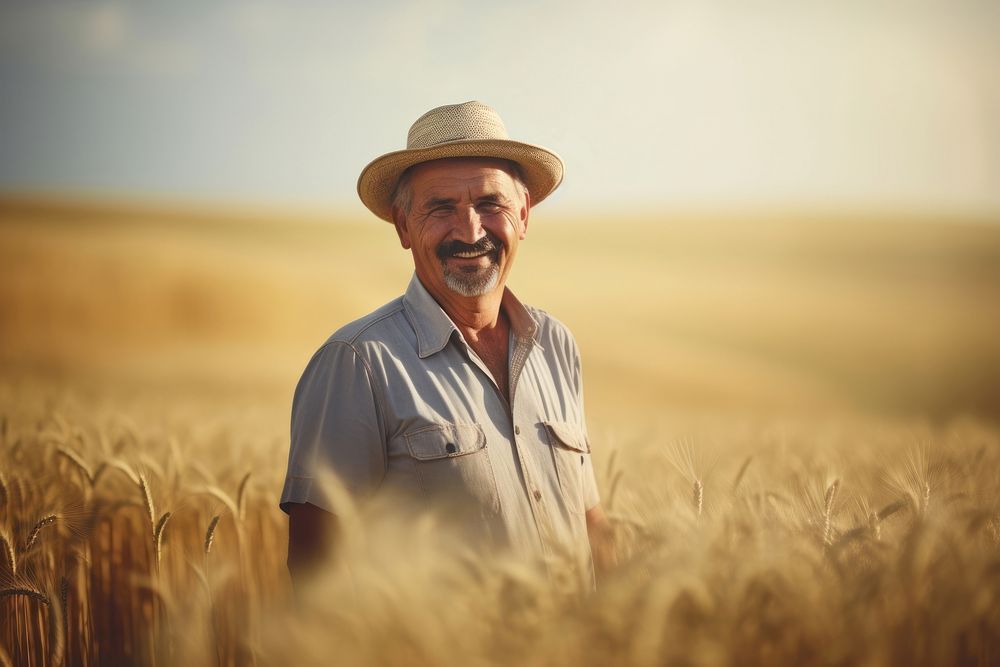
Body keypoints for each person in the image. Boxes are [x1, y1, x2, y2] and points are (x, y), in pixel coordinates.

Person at [280, 100, 615, 591]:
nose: (470, 231)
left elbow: (591, 526)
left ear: (523, 216)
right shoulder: (358, 363)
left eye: (489, 204)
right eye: (441, 208)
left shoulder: (555, 345)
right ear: (403, 226)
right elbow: (316, 571)